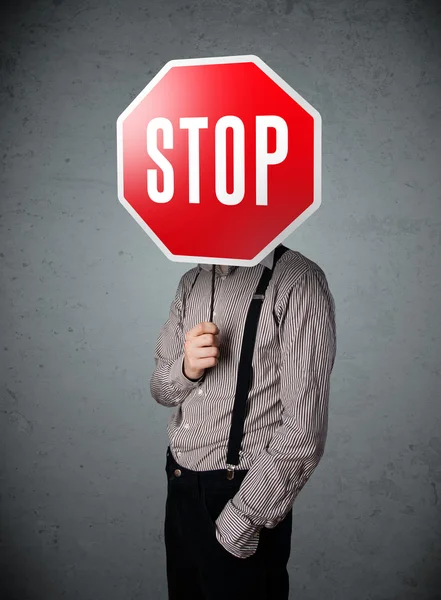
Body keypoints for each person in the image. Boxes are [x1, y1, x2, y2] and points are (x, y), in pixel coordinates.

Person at [150, 243, 336, 600]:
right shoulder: (192, 282)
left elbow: (305, 431)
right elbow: (161, 390)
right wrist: (187, 369)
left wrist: (243, 518)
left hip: (243, 494)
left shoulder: (298, 279)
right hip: (181, 486)